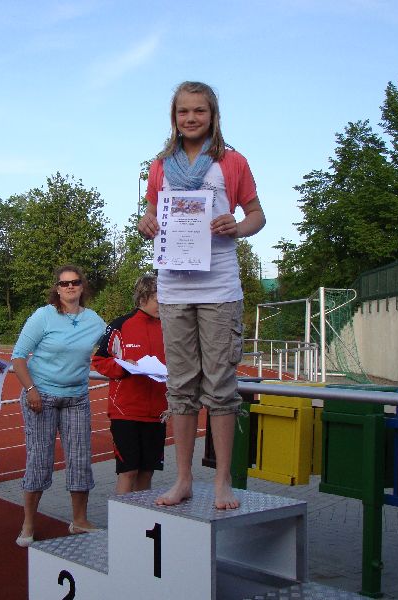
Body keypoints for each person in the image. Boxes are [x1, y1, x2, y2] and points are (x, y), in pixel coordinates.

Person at [138, 81, 266, 510]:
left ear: (213, 116)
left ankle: (223, 481)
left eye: (199, 111)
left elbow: (257, 215)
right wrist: (145, 223)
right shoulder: (160, 165)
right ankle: (183, 479)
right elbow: (151, 213)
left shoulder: (231, 161)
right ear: (173, 117)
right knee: (180, 386)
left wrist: (238, 226)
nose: (191, 118)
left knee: (221, 385)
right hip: (173, 286)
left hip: (219, 287)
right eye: (183, 111)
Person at [11, 265, 106, 547]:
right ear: (57, 288)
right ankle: (28, 524)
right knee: (39, 461)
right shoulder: (43, 316)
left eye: (75, 282)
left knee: (80, 459)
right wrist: (31, 390)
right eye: (64, 283)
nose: (70, 287)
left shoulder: (94, 320)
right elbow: (18, 357)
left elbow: (113, 348)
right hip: (41, 397)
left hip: (77, 398)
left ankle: (80, 520)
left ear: (82, 286)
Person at [92, 274, 167, 494]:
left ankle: (141, 516)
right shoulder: (120, 325)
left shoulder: (170, 327)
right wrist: (124, 366)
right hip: (126, 412)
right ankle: (121, 517)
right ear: (143, 298)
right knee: (128, 471)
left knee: (147, 472)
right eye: (158, 300)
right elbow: (100, 361)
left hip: (158, 412)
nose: (163, 305)